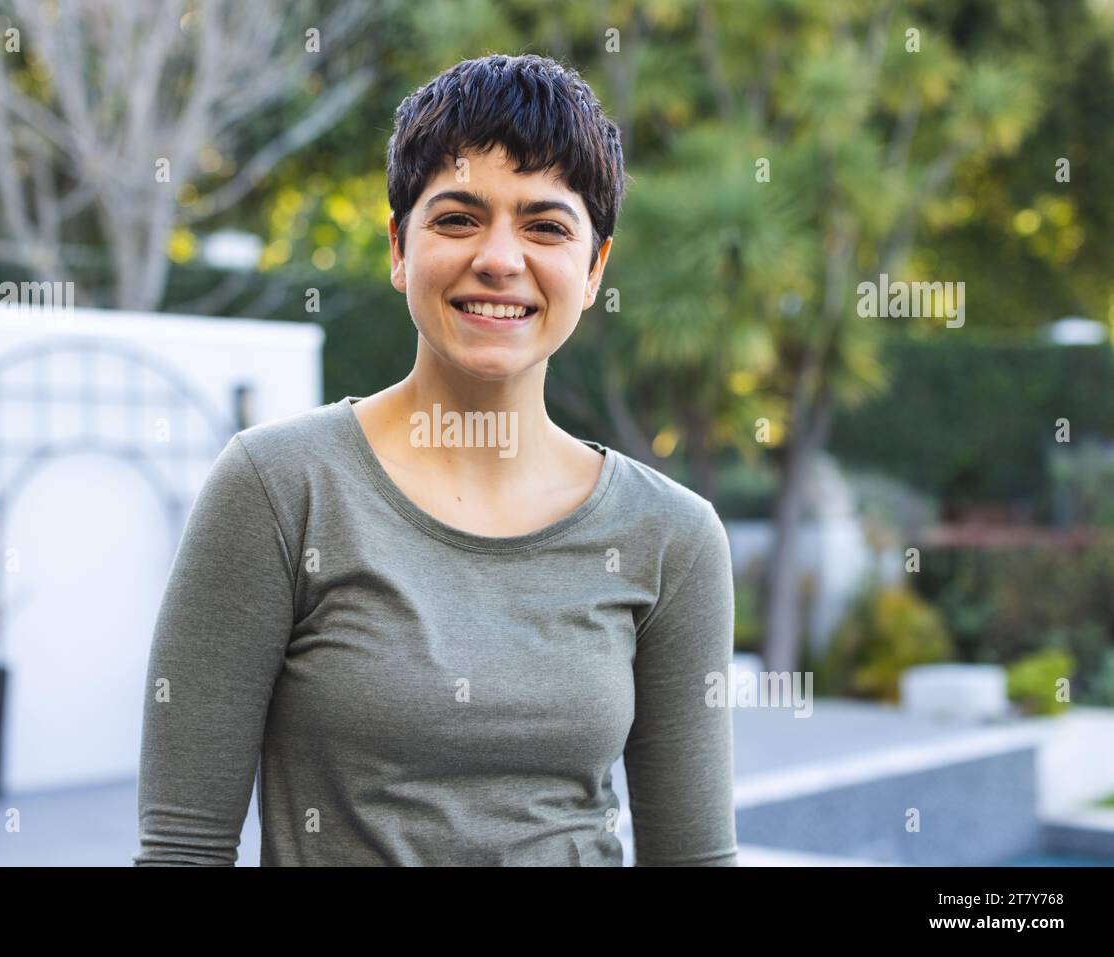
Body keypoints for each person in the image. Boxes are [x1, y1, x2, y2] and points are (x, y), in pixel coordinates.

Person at [133, 52, 738, 866]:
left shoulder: (673, 535)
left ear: (594, 268)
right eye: (457, 218)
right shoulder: (278, 489)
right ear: (398, 246)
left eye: (546, 225)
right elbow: (182, 849)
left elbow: (694, 859)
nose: (498, 257)